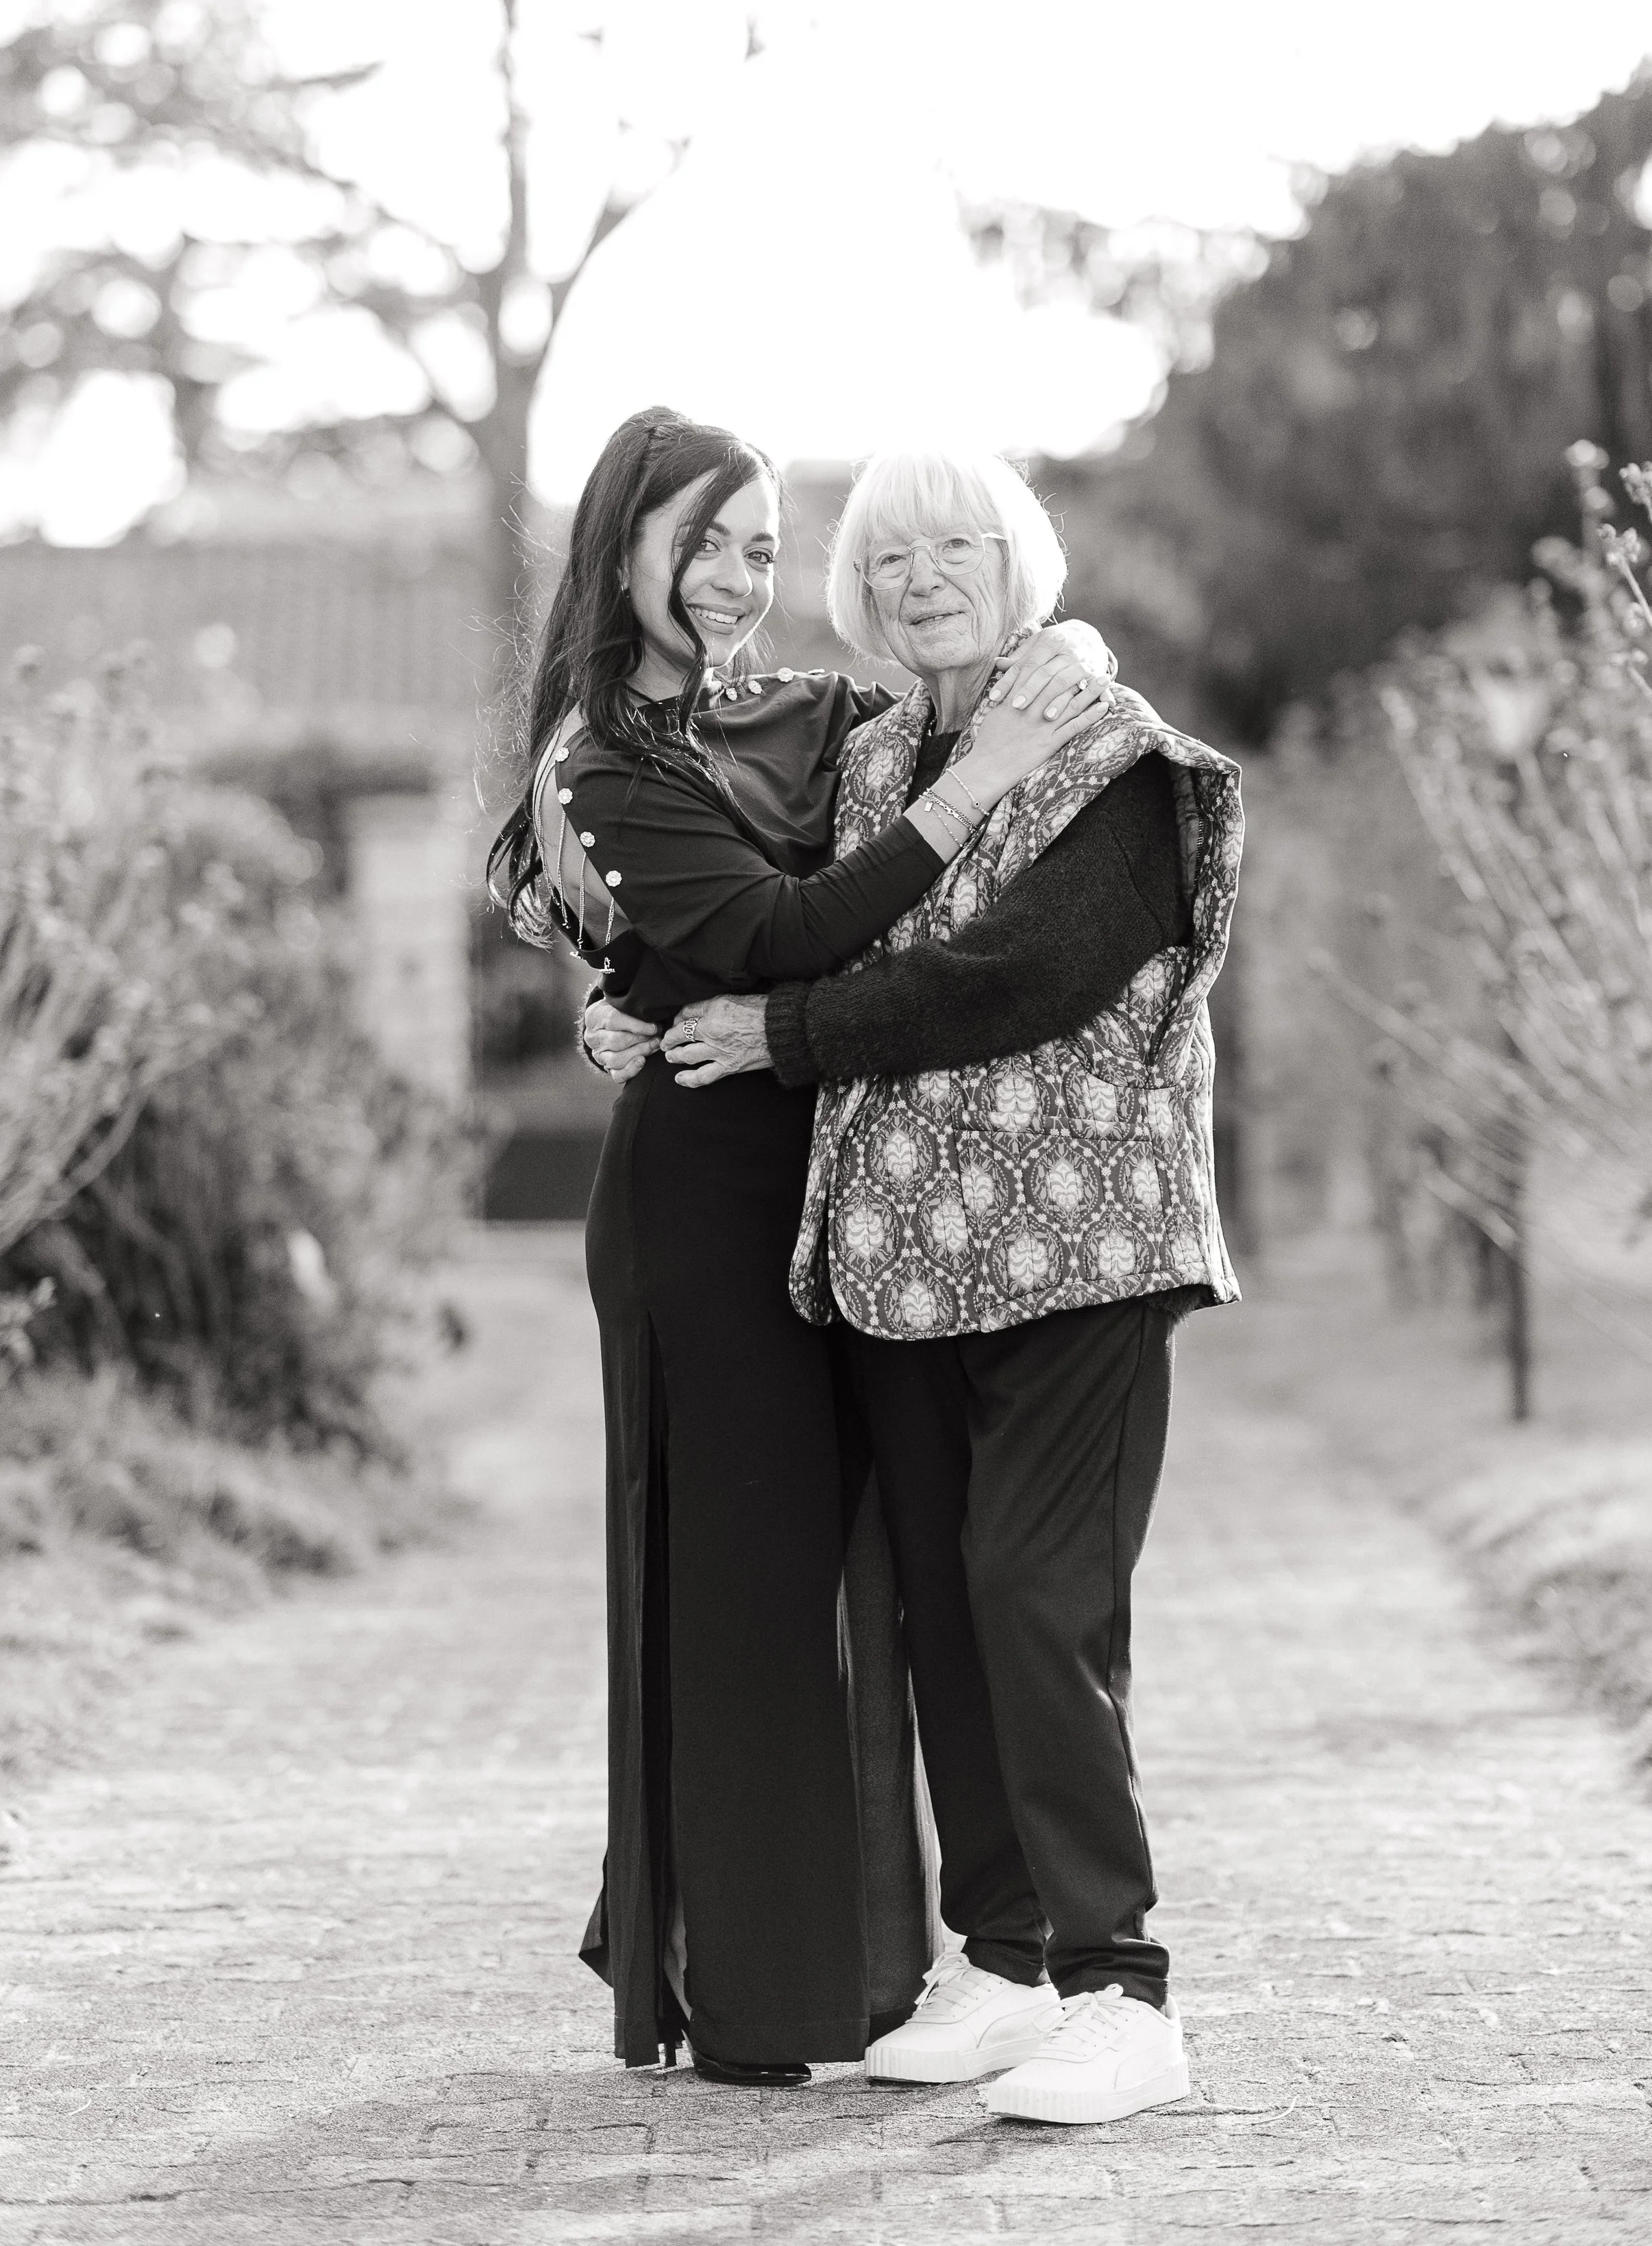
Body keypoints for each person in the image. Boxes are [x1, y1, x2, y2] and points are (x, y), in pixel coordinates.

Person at [587, 445, 1244, 2127]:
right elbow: (757, 906)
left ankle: (1123, 1986)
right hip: (898, 1258)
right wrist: (624, 993)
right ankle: (1008, 1958)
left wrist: (787, 1033)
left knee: (1033, 1593)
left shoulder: (1117, 752)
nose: (920, 577)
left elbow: (1019, 972)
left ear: (1026, 569)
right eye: (887, 559)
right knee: (941, 1606)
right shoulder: (871, 748)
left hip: (1082, 1250)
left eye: (958, 546)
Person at [489, 408, 1113, 2088]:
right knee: (756, 1595)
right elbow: (772, 926)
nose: (730, 578)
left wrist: (644, 992)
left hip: (863, 1185)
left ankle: (926, 1972)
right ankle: (755, 1995)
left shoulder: (811, 711)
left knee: (901, 1580)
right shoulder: (598, 756)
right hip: (707, 1198)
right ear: (623, 542)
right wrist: (690, 987)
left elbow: (982, 662)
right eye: (701, 540)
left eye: (759, 546)